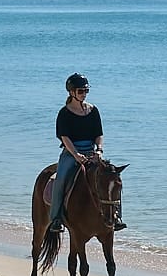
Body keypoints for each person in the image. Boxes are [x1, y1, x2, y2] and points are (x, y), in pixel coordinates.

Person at [48, 73, 126, 233]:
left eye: (85, 91)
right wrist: (76, 154)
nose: (84, 94)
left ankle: (116, 216)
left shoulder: (93, 110)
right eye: (81, 91)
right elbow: (65, 137)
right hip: (71, 152)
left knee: (112, 178)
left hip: (92, 151)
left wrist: (99, 150)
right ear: (71, 92)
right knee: (61, 179)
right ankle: (56, 218)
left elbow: (99, 134)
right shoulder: (64, 113)